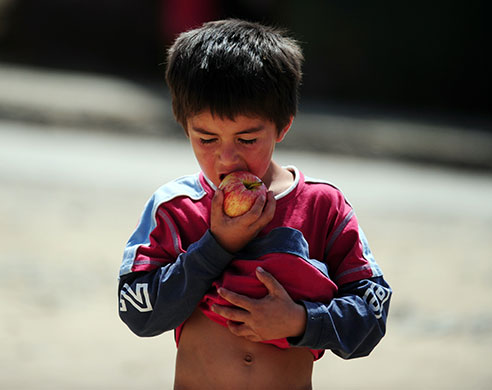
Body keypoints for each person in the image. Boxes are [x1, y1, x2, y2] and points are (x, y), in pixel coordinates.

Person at [118, 19, 391, 390]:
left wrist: (300, 321)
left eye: (247, 139)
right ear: (185, 128)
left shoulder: (323, 206)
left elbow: (372, 315)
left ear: (282, 126)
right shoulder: (176, 207)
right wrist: (215, 246)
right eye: (206, 138)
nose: (226, 158)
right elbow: (138, 313)